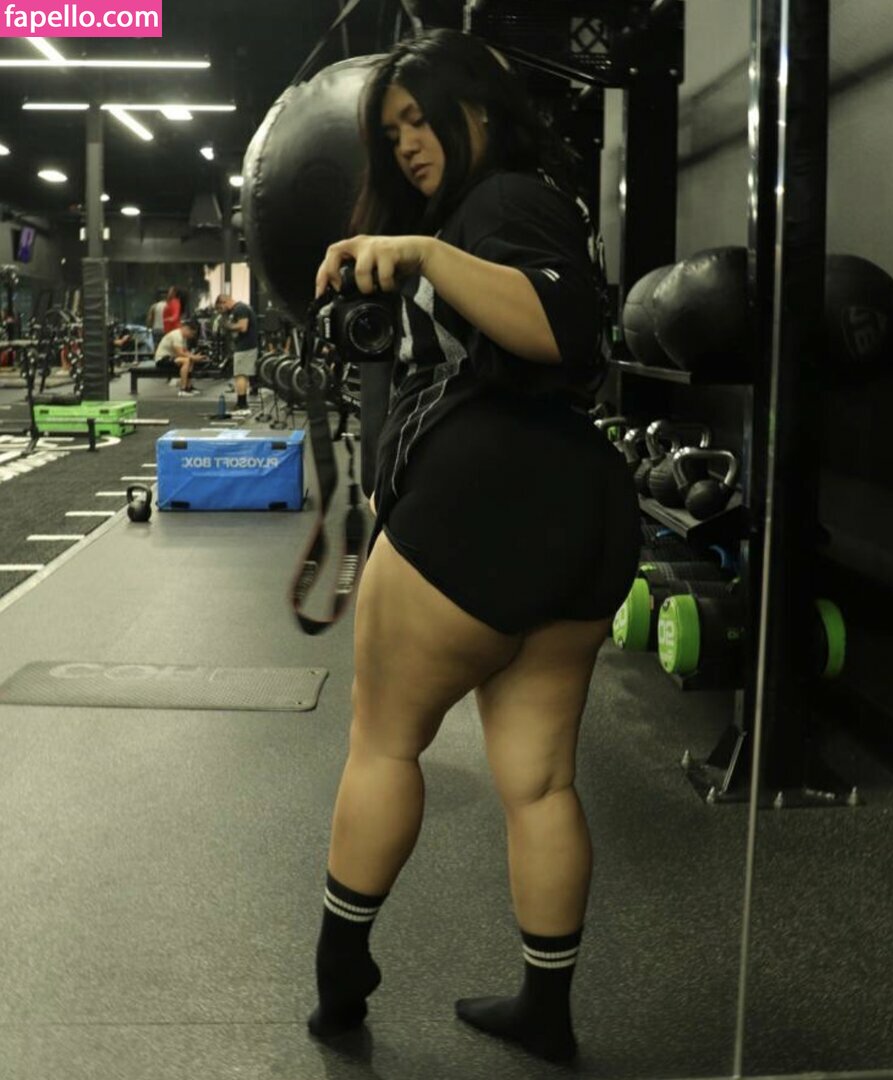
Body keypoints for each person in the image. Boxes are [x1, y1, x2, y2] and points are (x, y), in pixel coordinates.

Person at [307, 29, 640, 1064]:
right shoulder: (500, 210)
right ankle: (546, 1008)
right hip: (577, 517)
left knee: (383, 743)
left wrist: (423, 255)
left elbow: (563, 330)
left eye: (422, 118)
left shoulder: (503, 202)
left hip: (485, 505)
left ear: (481, 110)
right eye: (392, 131)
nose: (407, 144)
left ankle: (339, 978)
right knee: (538, 782)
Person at [214, 292, 258, 415]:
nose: (221, 311)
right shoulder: (236, 310)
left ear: (224, 302)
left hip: (246, 346)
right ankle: (241, 404)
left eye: (220, 308)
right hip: (244, 346)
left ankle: (242, 405)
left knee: (240, 375)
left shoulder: (240, 308)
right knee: (241, 374)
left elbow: (243, 327)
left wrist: (227, 325)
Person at [154, 317, 202, 395]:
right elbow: (180, 353)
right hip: (162, 360)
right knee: (186, 360)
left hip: (171, 358)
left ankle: (189, 387)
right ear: (186, 329)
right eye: (191, 333)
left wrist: (194, 356)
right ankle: (183, 390)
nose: (192, 336)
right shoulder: (177, 335)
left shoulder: (183, 338)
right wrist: (193, 357)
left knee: (190, 360)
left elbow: (185, 351)